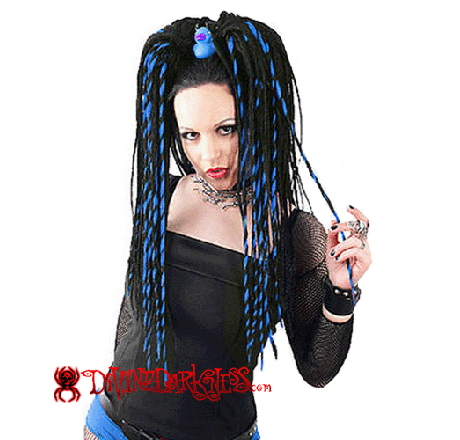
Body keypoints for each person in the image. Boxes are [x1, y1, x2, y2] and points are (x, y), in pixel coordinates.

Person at [84, 11, 372, 440]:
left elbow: (318, 369)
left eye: (226, 129)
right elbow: (131, 319)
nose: (209, 155)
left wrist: (341, 288)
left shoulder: (291, 232)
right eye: (191, 135)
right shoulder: (160, 198)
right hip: (114, 428)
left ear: (257, 120)